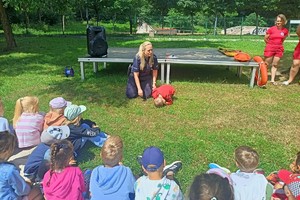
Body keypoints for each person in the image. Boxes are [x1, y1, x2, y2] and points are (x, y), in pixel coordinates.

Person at [89, 135, 136, 200]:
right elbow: (133, 189)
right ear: (121, 157)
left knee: (87, 172)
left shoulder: (95, 172)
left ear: (101, 155)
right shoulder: (126, 171)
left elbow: (91, 192)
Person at [0, 131, 43, 200]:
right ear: (6, 150)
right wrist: (28, 184)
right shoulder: (9, 170)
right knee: (38, 190)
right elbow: (22, 191)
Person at [264, 14, 289, 85]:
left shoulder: (285, 31)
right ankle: (262, 77)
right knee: (266, 64)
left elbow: (283, 39)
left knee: (275, 64)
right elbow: (265, 38)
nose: (278, 22)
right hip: (270, 48)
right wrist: (269, 45)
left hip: (279, 49)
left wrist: (278, 45)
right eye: (277, 21)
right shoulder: (271, 29)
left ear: (283, 22)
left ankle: (272, 80)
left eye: (280, 21)